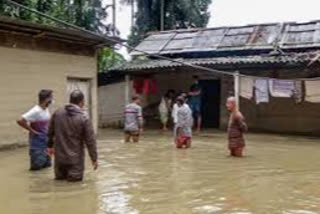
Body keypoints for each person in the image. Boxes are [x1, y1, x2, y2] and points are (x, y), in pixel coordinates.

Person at [47, 90, 98, 182]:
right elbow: (90, 141)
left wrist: (49, 146)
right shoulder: (84, 117)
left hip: (59, 160)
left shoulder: (57, 113)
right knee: (75, 187)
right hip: (75, 161)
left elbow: (50, 132)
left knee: (59, 185)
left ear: (70, 100)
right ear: (82, 102)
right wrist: (94, 158)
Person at [17, 89, 53, 171]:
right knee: (36, 169)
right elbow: (20, 120)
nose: (52, 100)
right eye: (51, 98)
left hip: (46, 144)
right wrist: (32, 131)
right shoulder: (35, 110)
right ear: (46, 99)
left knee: (47, 167)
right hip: (37, 146)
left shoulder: (46, 109)